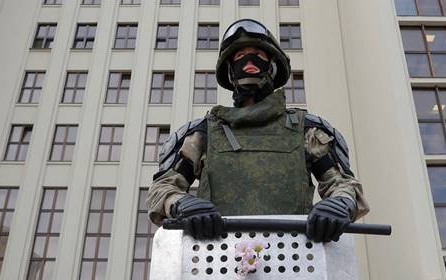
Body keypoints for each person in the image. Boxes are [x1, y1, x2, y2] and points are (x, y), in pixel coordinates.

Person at [147, 19, 369, 242]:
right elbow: (162, 189)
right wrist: (182, 204)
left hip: (294, 258)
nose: (249, 61)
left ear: (272, 66)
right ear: (229, 68)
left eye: (258, 55)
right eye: (240, 55)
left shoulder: (306, 130)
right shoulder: (203, 134)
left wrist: (339, 204)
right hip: (217, 259)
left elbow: (342, 184)